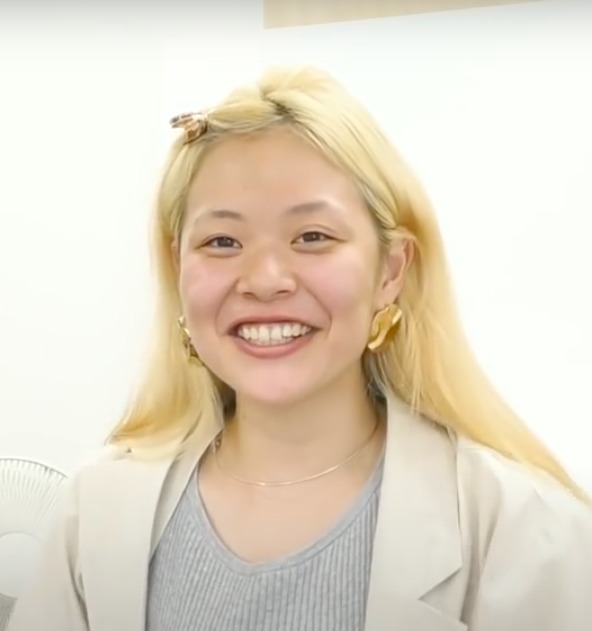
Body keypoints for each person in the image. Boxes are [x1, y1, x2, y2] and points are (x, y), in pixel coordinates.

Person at [7, 65, 592, 631]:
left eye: (313, 236)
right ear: (177, 268)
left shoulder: (526, 532)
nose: (264, 280)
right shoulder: (96, 509)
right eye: (222, 241)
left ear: (390, 270)